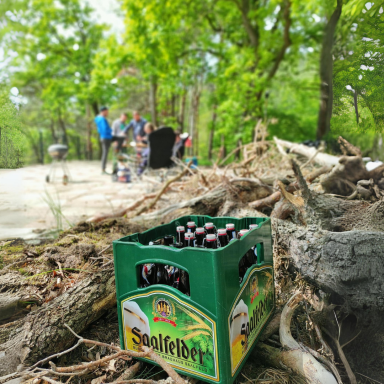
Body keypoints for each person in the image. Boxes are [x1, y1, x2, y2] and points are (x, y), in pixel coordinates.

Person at [94, 106, 112, 174]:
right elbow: (105, 129)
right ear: (103, 111)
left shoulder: (99, 119)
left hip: (103, 137)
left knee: (105, 153)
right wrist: (111, 131)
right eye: (107, 111)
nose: (107, 113)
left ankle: (103, 169)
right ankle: (103, 169)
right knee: (105, 153)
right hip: (106, 137)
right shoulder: (102, 119)